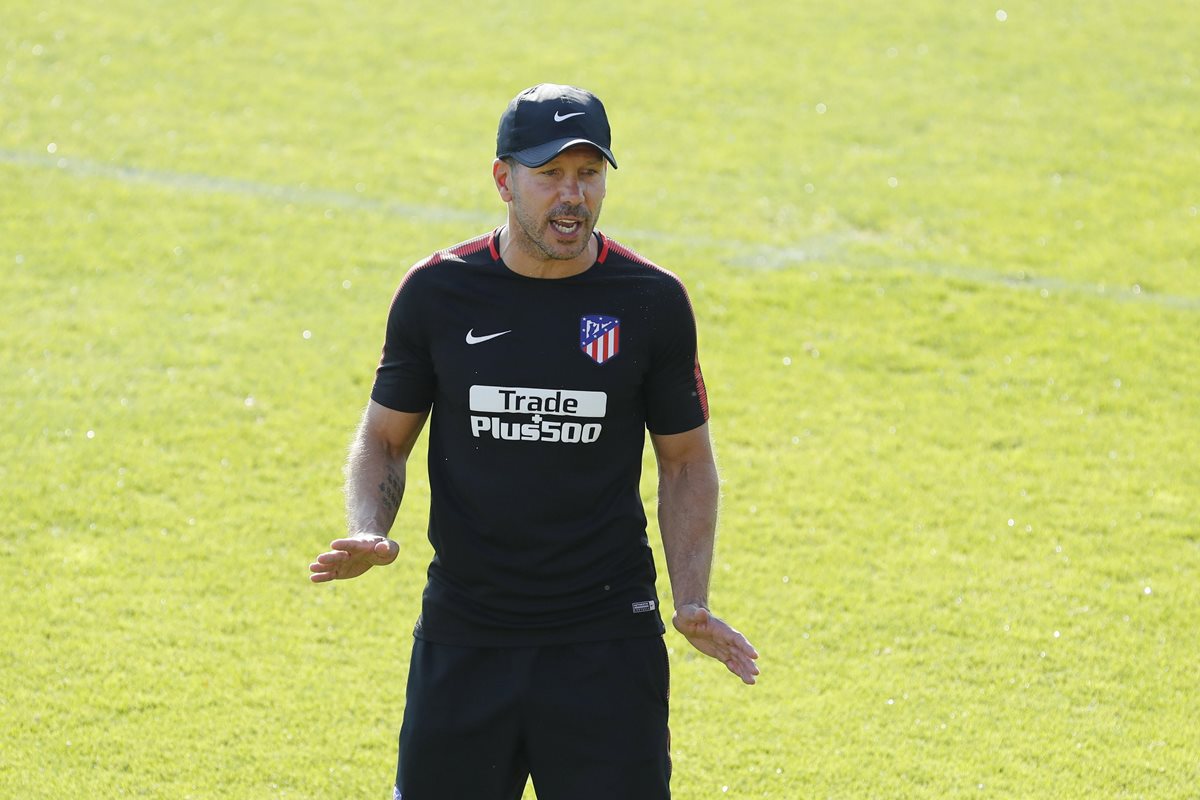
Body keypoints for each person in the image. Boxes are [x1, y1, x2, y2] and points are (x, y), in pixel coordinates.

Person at [309, 83, 759, 800]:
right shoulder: (438, 293)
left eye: (588, 174)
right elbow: (385, 441)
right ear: (503, 179)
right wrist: (369, 531)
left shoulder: (650, 302)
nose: (571, 196)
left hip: (607, 642)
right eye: (549, 175)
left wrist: (691, 599)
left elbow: (686, 463)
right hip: (467, 635)